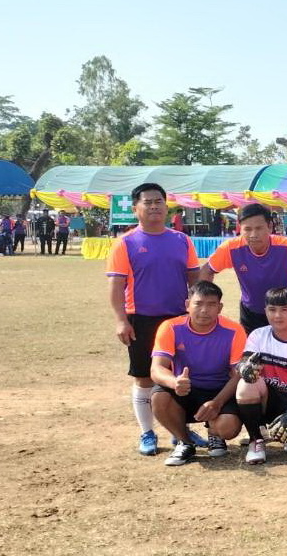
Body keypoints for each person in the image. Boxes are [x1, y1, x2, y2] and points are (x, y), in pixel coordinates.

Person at [106, 182, 201, 456]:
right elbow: (116, 286)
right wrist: (121, 320)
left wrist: (196, 313)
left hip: (178, 319)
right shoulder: (125, 243)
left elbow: (194, 279)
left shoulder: (182, 240)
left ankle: (180, 431)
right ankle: (147, 433)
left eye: (158, 201)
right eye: (147, 202)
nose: (154, 207)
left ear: (166, 206)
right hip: (141, 319)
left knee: (180, 376)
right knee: (144, 378)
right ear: (136, 208)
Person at [149, 281, 245, 466]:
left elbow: (238, 374)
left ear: (220, 308)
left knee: (228, 428)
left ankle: (215, 433)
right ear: (187, 305)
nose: (204, 310)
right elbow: (156, 369)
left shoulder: (234, 330)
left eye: (211, 304)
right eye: (198, 304)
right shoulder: (170, 327)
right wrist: (175, 382)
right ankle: (185, 442)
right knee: (159, 398)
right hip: (185, 389)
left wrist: (217, 403)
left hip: (220, 391)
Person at [201, 203, 287, 334]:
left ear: (270, 227)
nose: (253, 234)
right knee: (250, 348)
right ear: (240, 228)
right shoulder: (231, 248)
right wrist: (206, 308)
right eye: (247, 229)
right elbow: (206, 271)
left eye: (259, 228)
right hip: (251, 315)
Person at [236, 287, 287, 464]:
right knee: (246, 384)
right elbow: (244, 363)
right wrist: (244, 368)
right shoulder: (258, 335)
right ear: (265, 311)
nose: (277, 315)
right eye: (272, 310)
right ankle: (256, 440)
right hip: (267, 399)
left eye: (284, 309)